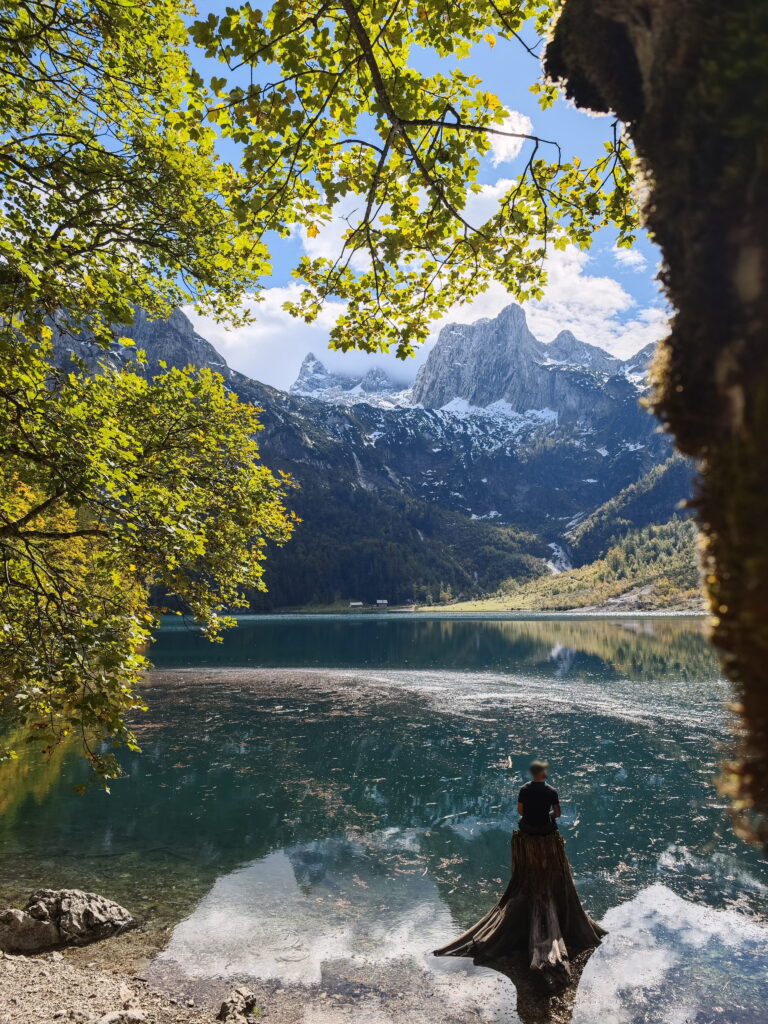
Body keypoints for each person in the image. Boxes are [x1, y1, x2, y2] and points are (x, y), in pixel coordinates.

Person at [517, 759, 561, 835]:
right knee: (552, 821)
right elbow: (557, 814)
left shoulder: (524, 789)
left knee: (521, 820)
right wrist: (547, 814)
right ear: (542, 773)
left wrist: (531, 815)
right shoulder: (552, 790)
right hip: (545, 829)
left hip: (527, 828)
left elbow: (520, 812)